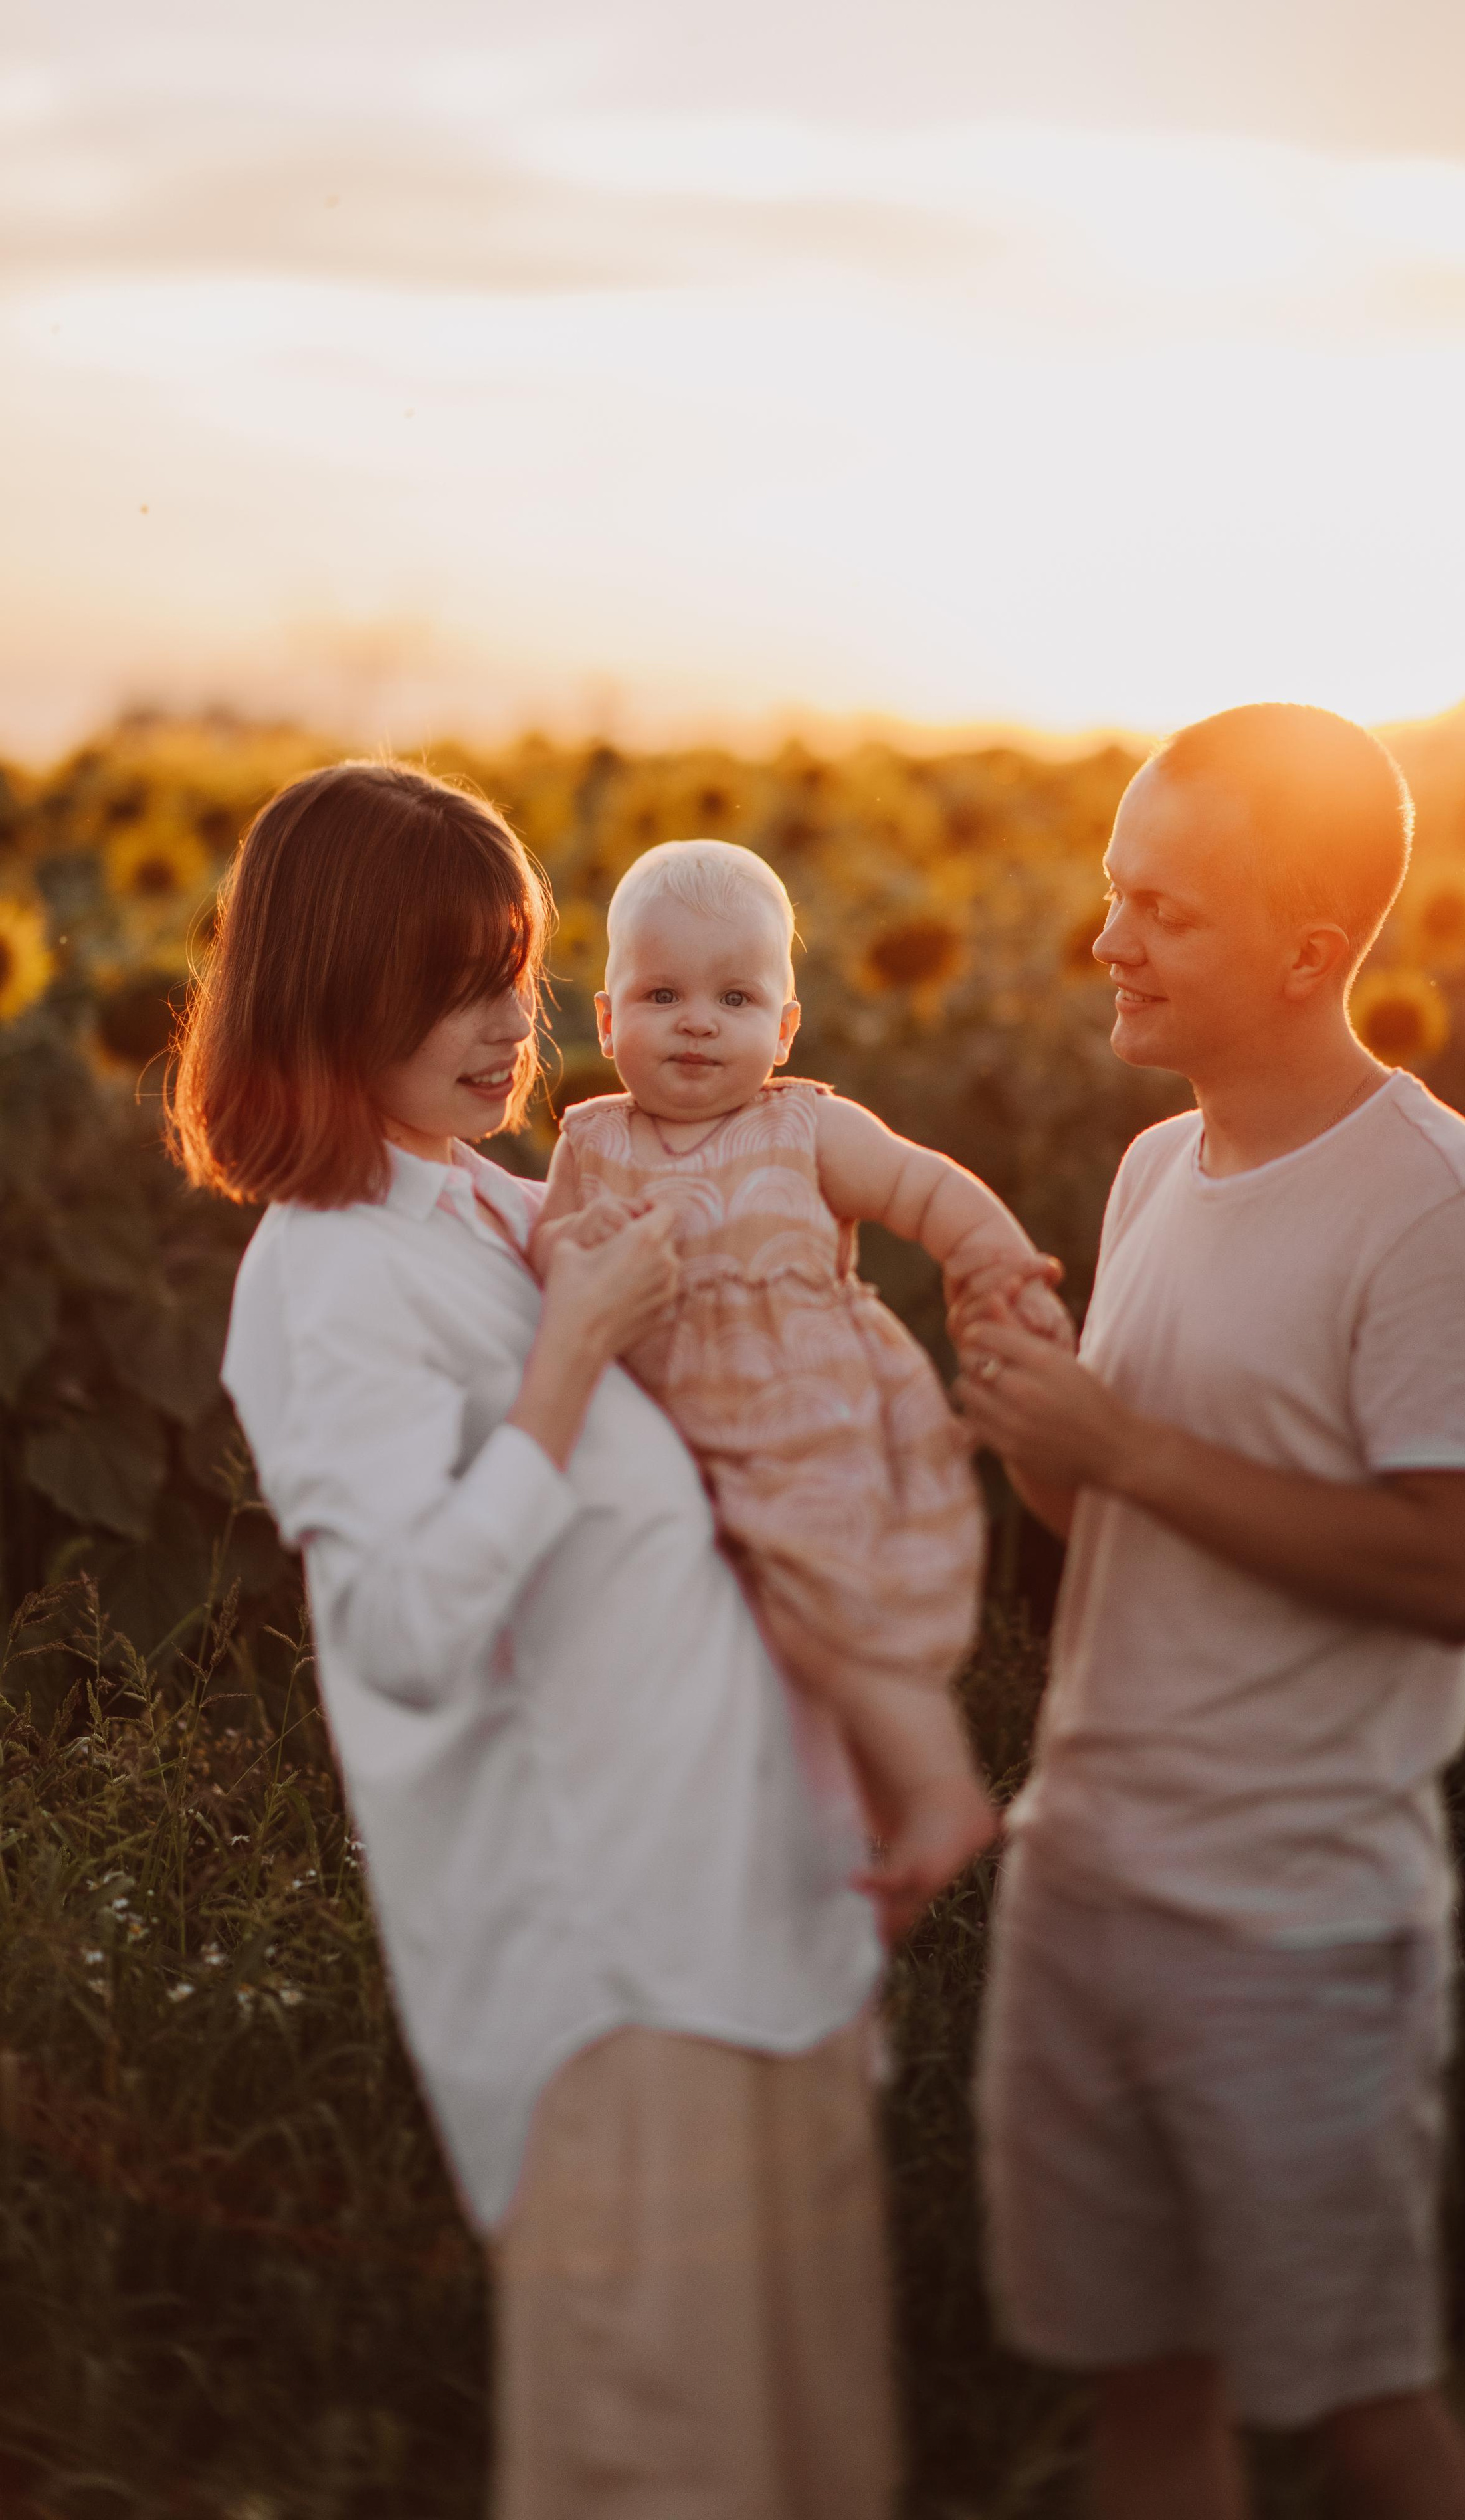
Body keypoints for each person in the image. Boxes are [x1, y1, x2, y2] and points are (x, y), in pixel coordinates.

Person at [169, 761, 896, 2520]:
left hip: (743, 1924)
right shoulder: (332, 1274)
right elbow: (410, 1628)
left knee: (806, 2467)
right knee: (667, 2466)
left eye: (516, 966)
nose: (515, 1025)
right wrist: (572, 1360)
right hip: (610, 1972)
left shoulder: (490, 1206)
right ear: (335, 991)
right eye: (455, 981)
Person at [953, 704, 1465, 2520]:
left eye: (1166, 908)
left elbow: (1456, 1573)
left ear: (1307, 952)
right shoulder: (1154, 1169)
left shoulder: (1438, 1209)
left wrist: (1119, 1443)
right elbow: (1104, 1523)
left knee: (1364, 2411)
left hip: (1292, 1919)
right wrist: (1041, 1429)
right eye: (1113, 888)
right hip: (1091, 1875)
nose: (1108, 939)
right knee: (1149, 2387)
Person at [534, 838, 1068, 1941]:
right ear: (606, 1020)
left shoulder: (806, 1125)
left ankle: (937, 1795)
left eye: (734, 997)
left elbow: (926, 1191)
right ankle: (779, 1840)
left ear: (783, 1029)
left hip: (807, 1426)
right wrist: (572, 1247)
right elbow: (550, 1253)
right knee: (700, 1644)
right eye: (663, 993)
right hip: (665, 1443)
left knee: (831, 1618)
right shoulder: (591, 1144)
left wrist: (998, 1267)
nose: (695, 1020)